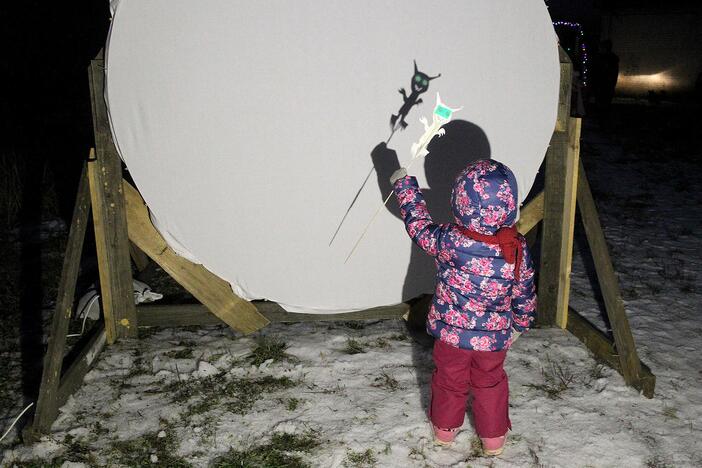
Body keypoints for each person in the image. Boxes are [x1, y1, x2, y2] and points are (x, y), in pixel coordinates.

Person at [389, 159, 536, 456]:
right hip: (493, 339)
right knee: (490, 383)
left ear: (461, 201)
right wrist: (521, 322)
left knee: (449, 379)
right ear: (509, 203)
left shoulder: (448, 239)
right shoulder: (515, 247)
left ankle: (444, 430)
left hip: (453, 337)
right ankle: (493, 438)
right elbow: (525, 290)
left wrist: (404, 186)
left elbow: (418, 226)